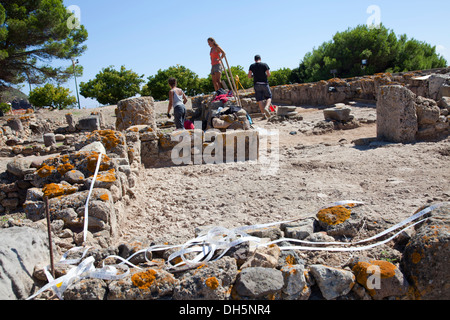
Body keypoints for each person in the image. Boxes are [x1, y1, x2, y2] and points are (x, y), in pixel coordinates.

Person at [248, 55, 272, 120]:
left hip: (256, 84)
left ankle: (263, 115)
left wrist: (254, 76)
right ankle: (266, 107)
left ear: (254, 60)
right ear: (260, 59)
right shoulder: (264, 65)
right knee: (269, 97)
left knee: (260, 100)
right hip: (264, 83)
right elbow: (269, 74)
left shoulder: (252, 66)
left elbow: (249, 76)